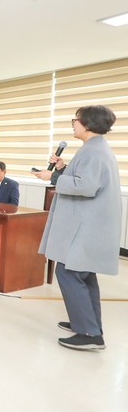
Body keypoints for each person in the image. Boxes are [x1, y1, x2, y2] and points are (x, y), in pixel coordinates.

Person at [33, 106, 121, 351]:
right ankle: (88, 324)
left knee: (69, 272)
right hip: (89, 224)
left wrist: (52, 177)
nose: (73, 123)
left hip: (86, 226)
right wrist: (62, 169)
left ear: (88, 123)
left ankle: (89, 333)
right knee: (84, 276)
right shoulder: (95, 148)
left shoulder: (94, 151)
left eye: (76, 120)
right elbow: (84, 178)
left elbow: (86, 186)